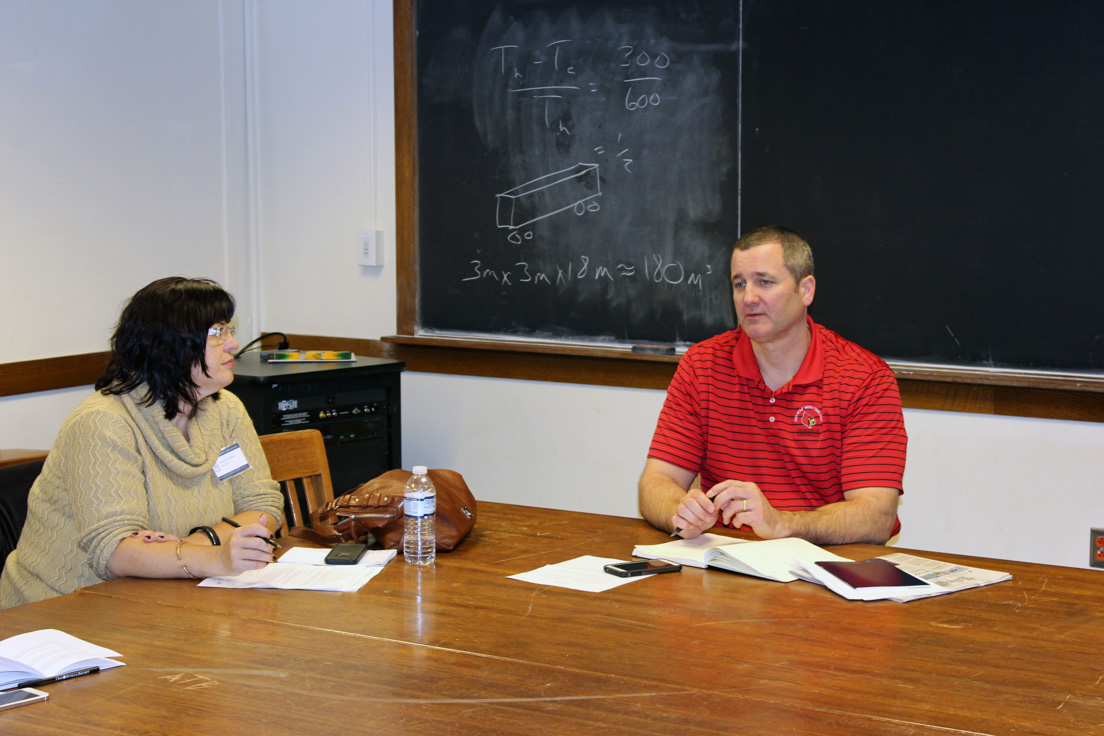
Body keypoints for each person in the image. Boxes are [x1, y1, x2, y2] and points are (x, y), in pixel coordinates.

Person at [0, 277, 285, 608]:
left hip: (169, 598)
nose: (234, 343)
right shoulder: (104, 422)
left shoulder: (225, 409)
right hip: (61, 610)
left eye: (229, 329)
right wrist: (214, 556)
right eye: (217, 332)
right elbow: (116, 553)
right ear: (170, 345)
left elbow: (263, 506)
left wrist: (193, 545)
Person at [639, 226, 907, 545]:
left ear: (806, 290)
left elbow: (876, 516)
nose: (749, 298)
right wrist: (681, 512)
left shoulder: (864, 377)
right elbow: (656, 482)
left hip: (823, 567)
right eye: (739, 284)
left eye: (764, 282)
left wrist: (781, 523)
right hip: (725, 560)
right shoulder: (703, 364)